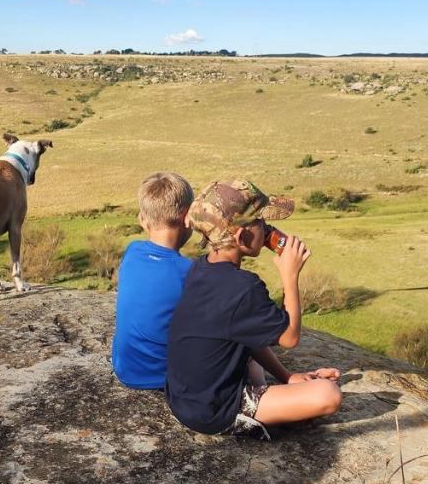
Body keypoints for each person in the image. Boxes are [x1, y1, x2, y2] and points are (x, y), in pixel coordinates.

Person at [165, 179, 341, 439]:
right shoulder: (243, 287)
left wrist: (287, 376)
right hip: (214, 410)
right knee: (328, 394)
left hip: (185, 398)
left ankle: (275, 399)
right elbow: (290, 337)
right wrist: (289, 276)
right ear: (241, 236)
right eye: (260, 221)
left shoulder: (201, 268)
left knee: (256, 361)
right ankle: (262, 415)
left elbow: (245, 336)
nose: (268, 227)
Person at [111, 172, 196, 390]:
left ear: (142, 219)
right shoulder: (189, 272)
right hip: (164, 377)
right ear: (188, 218)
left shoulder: (132, 251)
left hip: (126, 370)